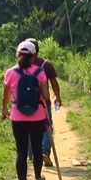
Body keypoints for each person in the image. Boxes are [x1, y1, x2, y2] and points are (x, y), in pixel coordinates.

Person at [2, 40, 50, 180]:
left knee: (21, 152)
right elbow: (46, 96)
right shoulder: (40, 72)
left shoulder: (10, 72)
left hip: (17, 117)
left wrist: (4, 110)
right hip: (37, 116)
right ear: (34, 56)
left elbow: (6, 95)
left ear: (18, 55)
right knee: (37, 148)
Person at [24, 37, 61, 167]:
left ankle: (32, 154)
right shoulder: (46, 65)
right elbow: (54, 83)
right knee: (46, 127)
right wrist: (57, 97)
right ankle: (44, 151)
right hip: (43, 102)